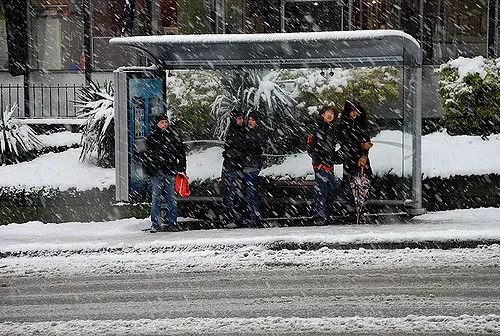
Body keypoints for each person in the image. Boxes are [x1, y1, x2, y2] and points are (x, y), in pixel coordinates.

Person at [143, 114, 186, 233]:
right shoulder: (153, 138)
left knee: (168, 199)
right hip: (159, 172)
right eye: (162, 122)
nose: (164, 125)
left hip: (168, 171)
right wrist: (150, 170)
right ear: (157, 124)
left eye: (166, 122)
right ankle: (156, 223)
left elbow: (180, 152)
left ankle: (171, 222)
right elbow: (147, 156)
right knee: (158, 199)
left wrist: (181, 167)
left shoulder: (171, 137)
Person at [338, 99, 373, 222]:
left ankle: (361, 209)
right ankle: (352, 210)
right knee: (350, 185)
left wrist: (363, 154)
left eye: (356, 111)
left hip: (360, 159)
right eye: (351, 111)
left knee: (363, 184)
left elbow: (366, 142)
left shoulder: (362, 125)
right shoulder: (343, 125)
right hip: (348, 160)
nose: (354, 114)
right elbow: (342, 143)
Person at [307, 105, 339, 224]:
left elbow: (333, 146)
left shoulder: (333, 129)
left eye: (332, 113)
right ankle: (319, 215)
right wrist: (319, 158)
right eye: (328, 112)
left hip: (329, 163)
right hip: (321, 163)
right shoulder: (317, 127)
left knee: (330, 190)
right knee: (322, 190)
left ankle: (326, 214)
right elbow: (311, 147)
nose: (330, 115)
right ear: (322, 114)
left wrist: (334, 156)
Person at [242, 111, 268, 228]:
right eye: (249, 120)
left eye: (252, 120)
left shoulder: (257, 133)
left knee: (252, 192)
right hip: (248, 165)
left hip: (253, 165)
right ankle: (254, 215)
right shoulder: (247, 132)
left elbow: (256, 146)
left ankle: (255, 216)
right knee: (251, 193)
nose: (250, 122)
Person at [221, 109, 246, 229]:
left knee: (236, 194)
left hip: (236, 166)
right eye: (239, 118)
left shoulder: (240, 131)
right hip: (232, 167)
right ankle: (230, 217)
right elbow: (233, 149)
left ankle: (235, 217)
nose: (241, 121)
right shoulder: (233, 132)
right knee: (231, 193)